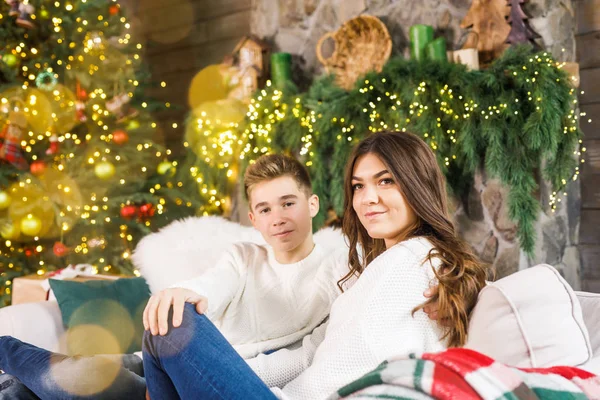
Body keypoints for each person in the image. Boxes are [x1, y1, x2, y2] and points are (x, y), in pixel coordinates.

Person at [0, 152, 440, 399]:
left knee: (156, 339)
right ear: (253, 218)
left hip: (228, 379)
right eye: (265, 209)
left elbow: (321, 359)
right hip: (210, 367)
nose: (278, 219)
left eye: (288, 203)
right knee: (155, 332)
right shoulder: (245, 257)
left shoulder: (349, 267)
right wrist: (185, 291)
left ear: (312, 206)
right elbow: (212, 285)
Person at [142, 130, 489, 400]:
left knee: (170, 326)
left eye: (386, 181)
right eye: (358, 186)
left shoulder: (410, 260)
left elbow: (357, 361)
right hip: (272, 385)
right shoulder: (381, 266)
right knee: (166, 325)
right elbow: (312, 354)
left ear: (417, 184)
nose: (368, 198)